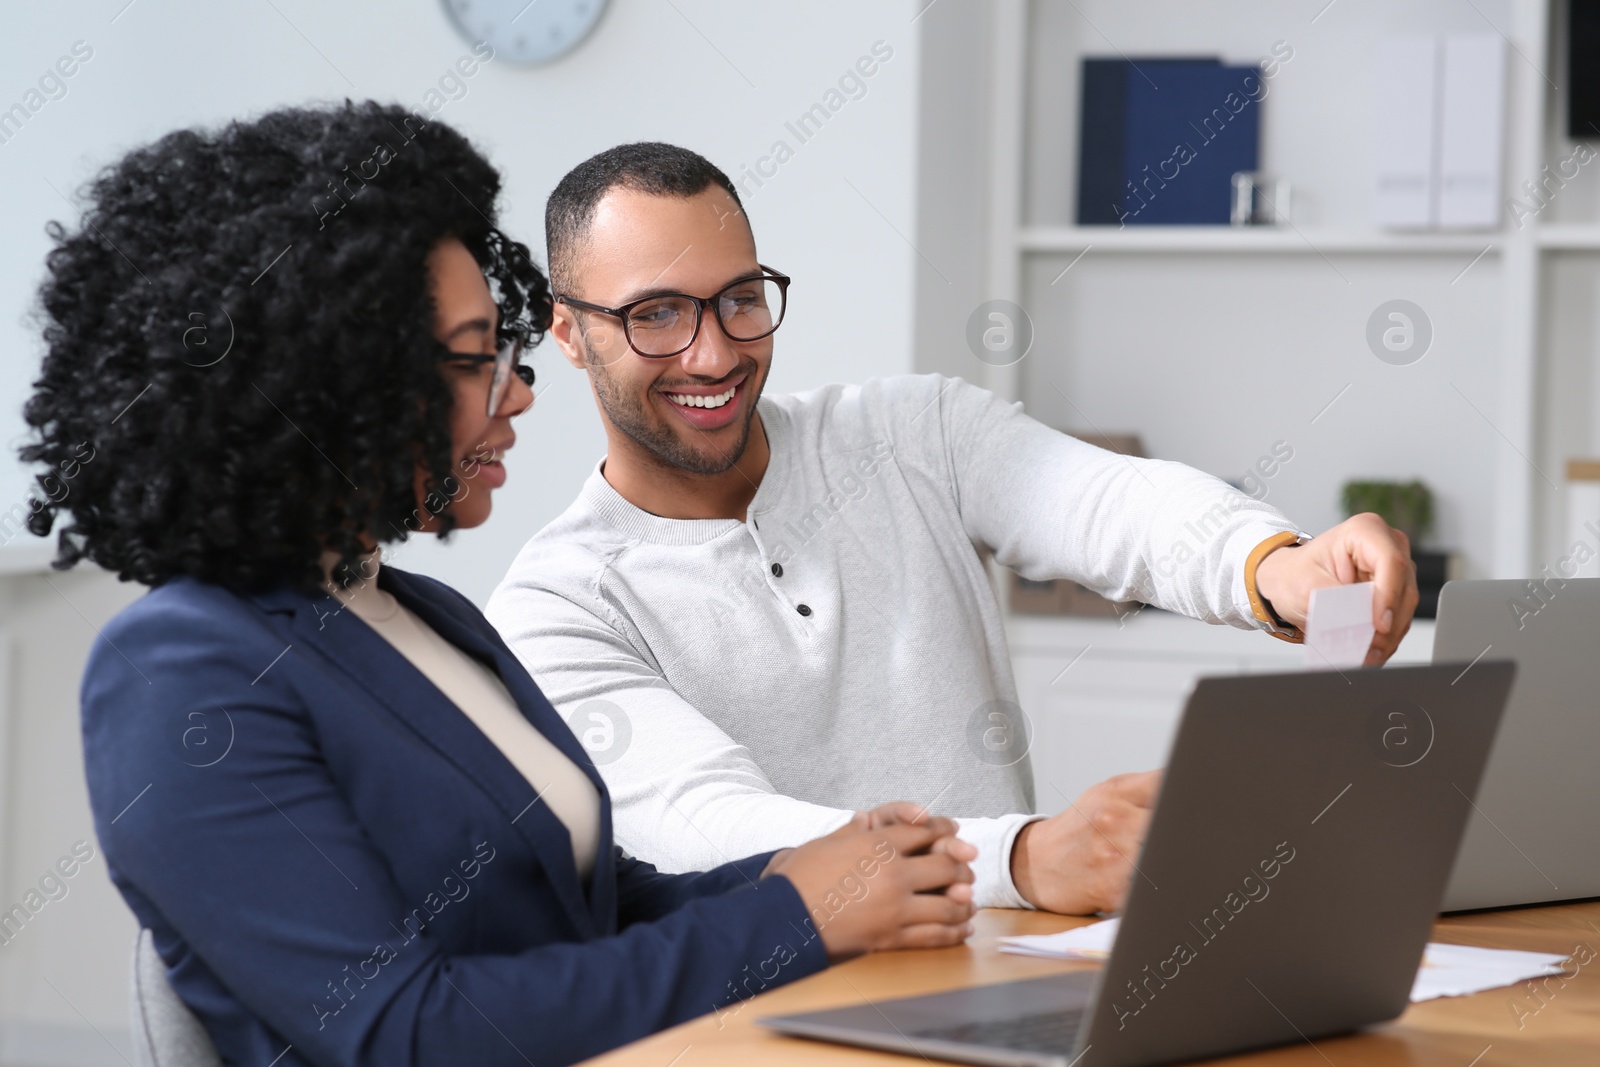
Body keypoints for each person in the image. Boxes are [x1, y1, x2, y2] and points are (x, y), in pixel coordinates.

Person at [20, 104, 976, 1067]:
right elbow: (406, 1030)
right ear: (341, 381)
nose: (517, 392)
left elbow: (587, 906)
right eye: (478, 358)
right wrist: (791, 916)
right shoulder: (182, 667)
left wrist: (815, 876)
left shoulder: (419, 613)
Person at [486, 142, 1422, 917]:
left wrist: (1277, 565)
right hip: (785, 1024)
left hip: (1018, 979)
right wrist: (1020, 858)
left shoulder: (907, 430)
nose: (716, 351)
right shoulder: (554, 607)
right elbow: (717, 824)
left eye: (739, 297)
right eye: (656, 314)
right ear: (568, 333)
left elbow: (1107, 503)